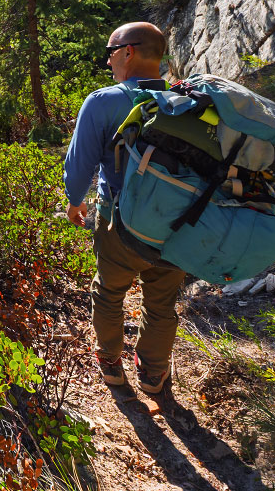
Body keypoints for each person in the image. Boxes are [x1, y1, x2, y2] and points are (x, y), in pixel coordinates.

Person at [63, 22, 183, 394]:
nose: (109, 60)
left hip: (120, 223)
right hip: (178, 224)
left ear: (128, 52)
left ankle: (111, 363)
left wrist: (74, 200)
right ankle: (152, 372)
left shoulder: (103, 101)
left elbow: (79, 163)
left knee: (110, 293)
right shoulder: (187, 99)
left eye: (111, 52)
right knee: (161, 302)